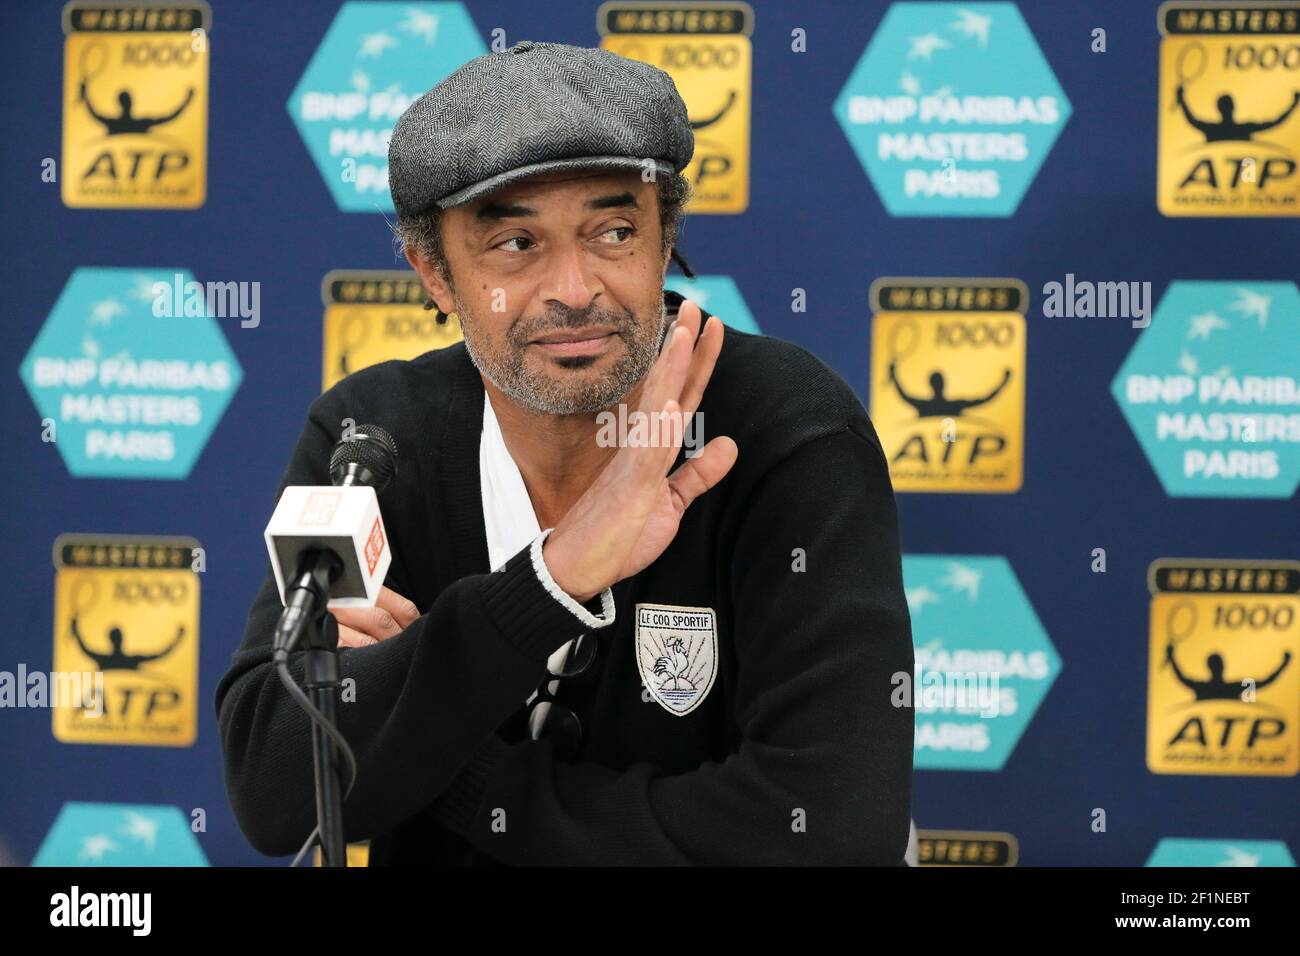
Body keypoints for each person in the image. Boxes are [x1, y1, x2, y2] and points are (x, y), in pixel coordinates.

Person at [216, 41, 913, 866]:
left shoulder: (784, 431)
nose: (574, 289)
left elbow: (827, 833)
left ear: (665, 240)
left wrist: (438, 755)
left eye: (614, 231)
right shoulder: (369, 441)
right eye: (517, 244)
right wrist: (556, 578)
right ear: (433, 274)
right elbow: (275, 792)